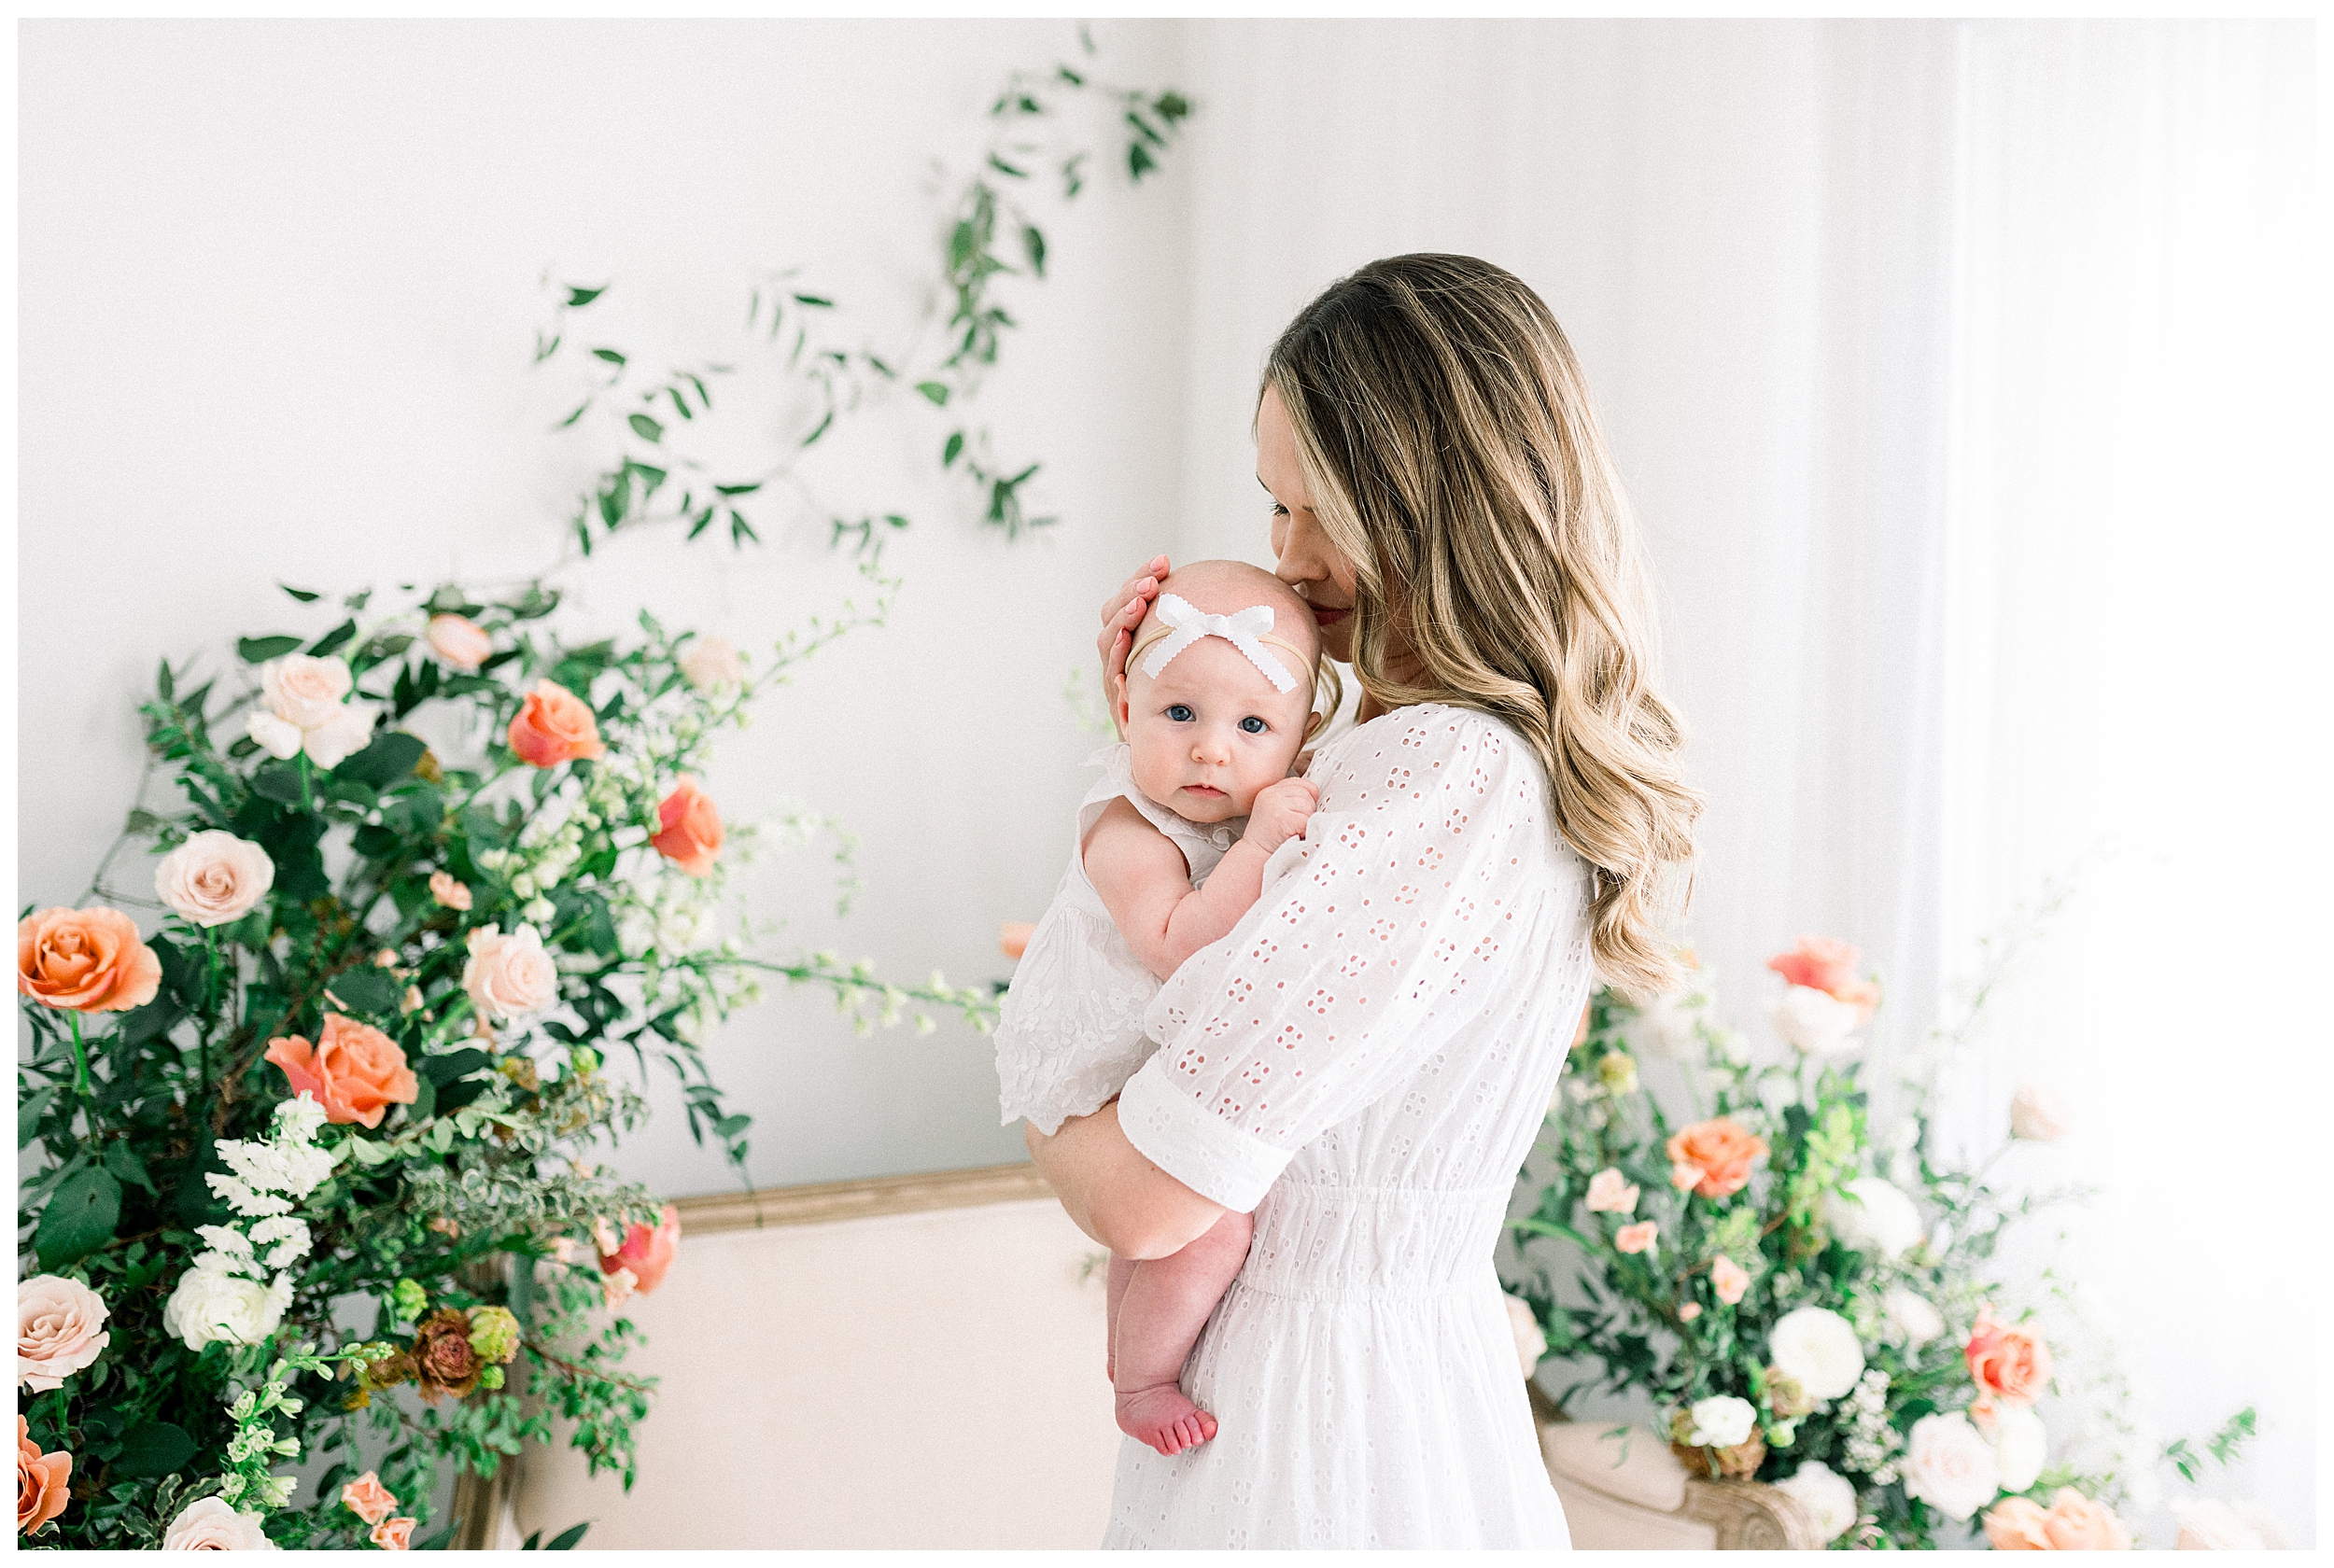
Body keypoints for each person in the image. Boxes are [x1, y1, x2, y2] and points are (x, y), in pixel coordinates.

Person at [1022, 254, 1703, 1549]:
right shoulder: (1450, 763)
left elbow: (1146, 1197)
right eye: (1272, 508)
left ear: (1429, 500)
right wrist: (1172, 725)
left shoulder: (1435, 774)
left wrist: (1042, 1103)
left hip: (1312, 1421)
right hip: (1382, 1382)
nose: (1288, 557)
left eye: (1317, 508)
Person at [993, 559, 1328, 1458]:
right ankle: (1141, 1378)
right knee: (1216, 1227)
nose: (1211, 749)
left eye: (1253, 725)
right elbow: (1179, 941)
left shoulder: (1213, 802)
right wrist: (1263, 840)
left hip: (1137, 1056)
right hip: (1088, 1059)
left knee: (1158, 1232)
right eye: (1179, 714)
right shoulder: (1128, 825)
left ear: (1302, 740)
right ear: (1126, 710)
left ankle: (1125, 1350)